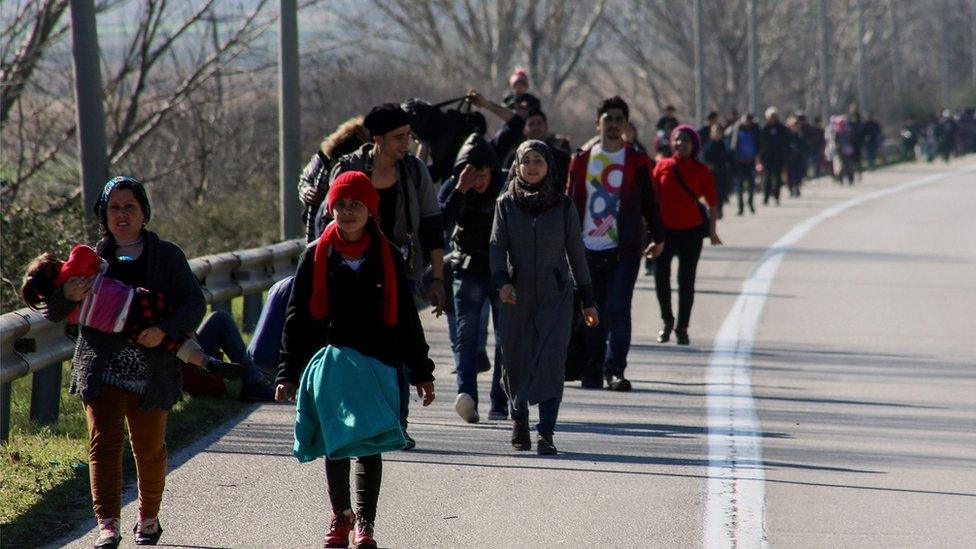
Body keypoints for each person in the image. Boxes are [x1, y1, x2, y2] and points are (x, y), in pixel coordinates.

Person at [39, 176, 204, 548]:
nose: (122, 214)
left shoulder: (168, 256)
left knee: (149, 448)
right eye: (114, 208)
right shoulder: (88, 260)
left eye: (130, 206)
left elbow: (194, 303)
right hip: (101, 367)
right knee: (104, 444)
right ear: (104, 215)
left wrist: (164, 330)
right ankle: (108, 524)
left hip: (153, 370)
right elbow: (54, 311)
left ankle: (148, 519)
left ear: (144, 212)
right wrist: (65, 292)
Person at [275, 171, 436, 549]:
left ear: (370, 210)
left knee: (368, 443)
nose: (347, 212)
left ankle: (366, 523)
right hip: (329, 365)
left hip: (378, 362)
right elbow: (296, 317)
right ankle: (340, 515)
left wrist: (421, 371)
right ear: (331, 207)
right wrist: (288, 371)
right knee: (337, 442)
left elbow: (408, 319)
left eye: (356, 205)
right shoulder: (316, 255)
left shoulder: (387, 256)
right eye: (341, 204)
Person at [317, 104, 446, 449]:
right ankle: (355, 419)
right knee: (355, 351)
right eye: (399, 137)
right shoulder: (349, 169)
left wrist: (438, 278)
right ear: (377, 139)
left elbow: (433, 225)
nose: (407, 143)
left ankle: (396, 423)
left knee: (399, 348)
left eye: (408, 136)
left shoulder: (414, 172)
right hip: (351, 271)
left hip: (400, 271)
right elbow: (328, 221)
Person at [490, 140, 598, 455]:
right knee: (515, 361)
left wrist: (587, 299)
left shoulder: (563, 205)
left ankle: (546, 433)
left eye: (539, 160)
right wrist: (502, 283)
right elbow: (496, 247)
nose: (533, 167)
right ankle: (519, 417)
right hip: (515, 296)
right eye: (527, 161)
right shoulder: (506, 204)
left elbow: (577, 254)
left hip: (556, 297)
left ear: (549, 165)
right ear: (518, 167)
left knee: (551, 363)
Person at [20, 245, 239, 380]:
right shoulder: (74, 269)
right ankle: (206, 359)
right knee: (173, 316)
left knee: (173, 345)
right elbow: (83, 252)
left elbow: (53, 314)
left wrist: (64, 295)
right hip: (135, 301)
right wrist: (98, 264)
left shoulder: (65, 306)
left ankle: (204, 363)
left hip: (126, 328)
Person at [567, 96, 665, 391]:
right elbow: (569, 203)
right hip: (586, 248)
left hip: (624, 250)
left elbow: (649, 200)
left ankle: (615, 370)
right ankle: (592, 369)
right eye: (608, 119)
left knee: (618, 307)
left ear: (626, 125)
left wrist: (658, 237)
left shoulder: (635, 160)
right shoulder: (582, 160)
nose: (613, 124)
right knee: (591, 310)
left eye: (618, 119)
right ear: (598, 123)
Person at [438, 133, 508, 423]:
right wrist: (460, 190)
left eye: (482, 174)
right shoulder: (454, 187)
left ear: (492, 169)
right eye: (471, 175)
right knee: (466, 337)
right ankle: (466, 396)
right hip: (467, 268)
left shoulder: (507, 185)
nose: (478, 181)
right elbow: (439, 224)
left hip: (503, 270)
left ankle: (501, 401)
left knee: (506, 338)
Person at [652, 126, 723, 345]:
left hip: (691, 232)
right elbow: (652, 200)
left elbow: (712, 203)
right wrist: (650, 232)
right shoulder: (662, 166)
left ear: (694, 145)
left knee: (686, 280)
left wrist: (712, 232)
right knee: (661, 278)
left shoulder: (701, 170)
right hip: (664, 231)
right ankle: (667, 322)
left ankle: (682, 327)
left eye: (686, 141)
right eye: (677, 140)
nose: (681, 144)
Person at [298, 117, 370, 242]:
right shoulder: (323, 159)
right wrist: (307, 192)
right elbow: (305, 180)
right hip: (320, 232)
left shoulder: (368, 165)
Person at [727, 113, 759, 215]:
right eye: (745, 120)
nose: (746, 123)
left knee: (751, 185)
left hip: (751, 161)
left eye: (749, 120)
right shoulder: (736, 130)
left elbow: (760, 144)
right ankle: (740, 207)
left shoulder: (755, 130)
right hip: (739, 162)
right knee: (739, 185)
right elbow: (731, 144)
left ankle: (750, 202)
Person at [759, 107, 790, 206]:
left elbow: (786, 143)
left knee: (777, 178)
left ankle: (776, 197)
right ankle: (766, 197)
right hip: (767, 158)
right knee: (767, 178)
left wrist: (785, 156)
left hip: (778, 157)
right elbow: (760, 144)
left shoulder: (781, 128)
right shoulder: (764, 129)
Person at [702, 124, 732, 218]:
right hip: (712, 174)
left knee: (721, 193)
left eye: (719, 132)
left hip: (722, 173)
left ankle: (719, 209)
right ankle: (713, 210)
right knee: (712, 193)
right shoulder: (708, 145)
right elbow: (705, 158)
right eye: (715, 132)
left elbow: (728, 157)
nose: (717, 134)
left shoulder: (723, 145)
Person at [785, 115, 808, 198]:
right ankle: (791, 188)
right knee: (790, 174)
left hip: (799, 157)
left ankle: (797, 187)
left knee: (799, 174)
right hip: (789, 157)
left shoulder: (800, 134)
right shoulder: (787, 134)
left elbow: (804, 145)